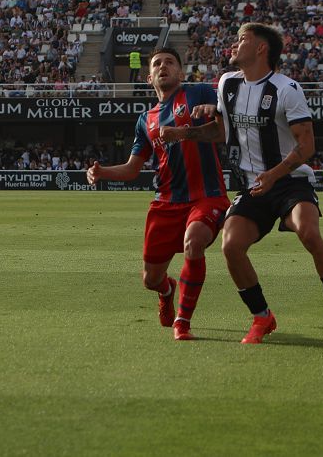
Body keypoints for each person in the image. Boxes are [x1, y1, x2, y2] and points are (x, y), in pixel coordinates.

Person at [163, 23, 323, 344]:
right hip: (253, 188)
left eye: (241, 39)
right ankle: (262, 317)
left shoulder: (287, 89)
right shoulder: (227, 84)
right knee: (231, 246)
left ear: (260, 48)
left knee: (308, 231)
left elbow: (307, 146)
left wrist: (273, 174)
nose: (233, 44)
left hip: (290, 181)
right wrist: (182, 134)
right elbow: (221, 132)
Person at [86, 47, 229, 341]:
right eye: (157, 64)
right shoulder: (145, 119)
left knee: (195, 240)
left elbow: (229, 122)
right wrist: (102, 172)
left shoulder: (199, 91)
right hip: (165, 203)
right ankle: (166, 290)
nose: (163, 67)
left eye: (170, 62)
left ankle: (183, 321)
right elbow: (131, 169)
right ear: (149, 76)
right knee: (150, 280)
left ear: (180, 71)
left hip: (207, 195)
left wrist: (215, 111)